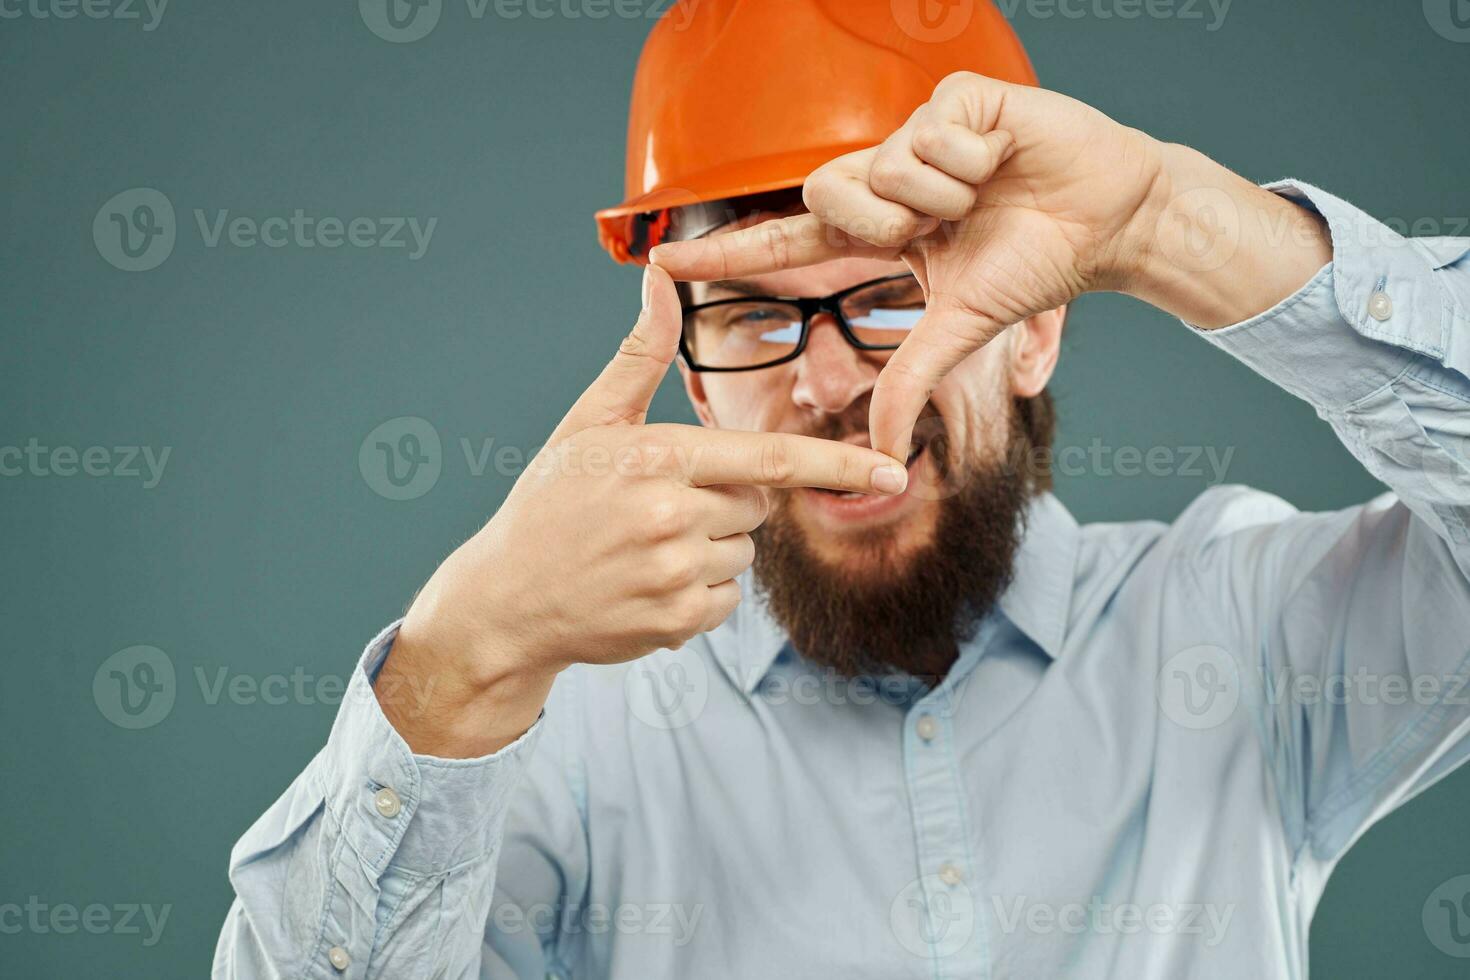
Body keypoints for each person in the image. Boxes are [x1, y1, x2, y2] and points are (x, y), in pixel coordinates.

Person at [214, 1, 1470, 977]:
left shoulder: (1238, 633)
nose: (829, 382)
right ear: (697, 383)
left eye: (889, 295)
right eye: (756, 316)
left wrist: (1159, 220)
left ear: (1033, 327)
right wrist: (465, 653)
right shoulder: (568, 741)